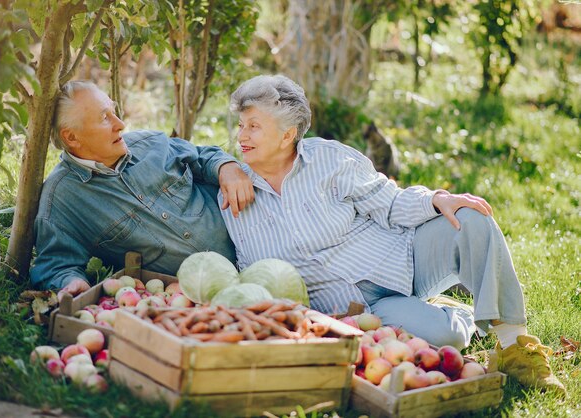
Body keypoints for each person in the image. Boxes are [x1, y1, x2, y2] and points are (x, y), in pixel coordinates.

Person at [218, 74, 566, 395]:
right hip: (357, 311)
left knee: (471, 219)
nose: (242, 136)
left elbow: (390, 203)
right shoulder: (235, 195)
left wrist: (438, 199)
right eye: (241, 125)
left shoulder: (330, 160)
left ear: (287, 134)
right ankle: (455, 313)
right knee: (445, 338)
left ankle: (515, 348)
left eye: (253, 126)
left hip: (403, 257)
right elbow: (253, 270)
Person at [30, 80, 254, 298]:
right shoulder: (63, 198)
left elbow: (204, 157)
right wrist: (71, 282)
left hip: (258, 242)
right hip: (197, 293)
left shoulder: (150, 143)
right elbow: (55, 264)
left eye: (113, 111)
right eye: (104, 118)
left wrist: (227, 167)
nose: (120, 124)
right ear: (71, 137)